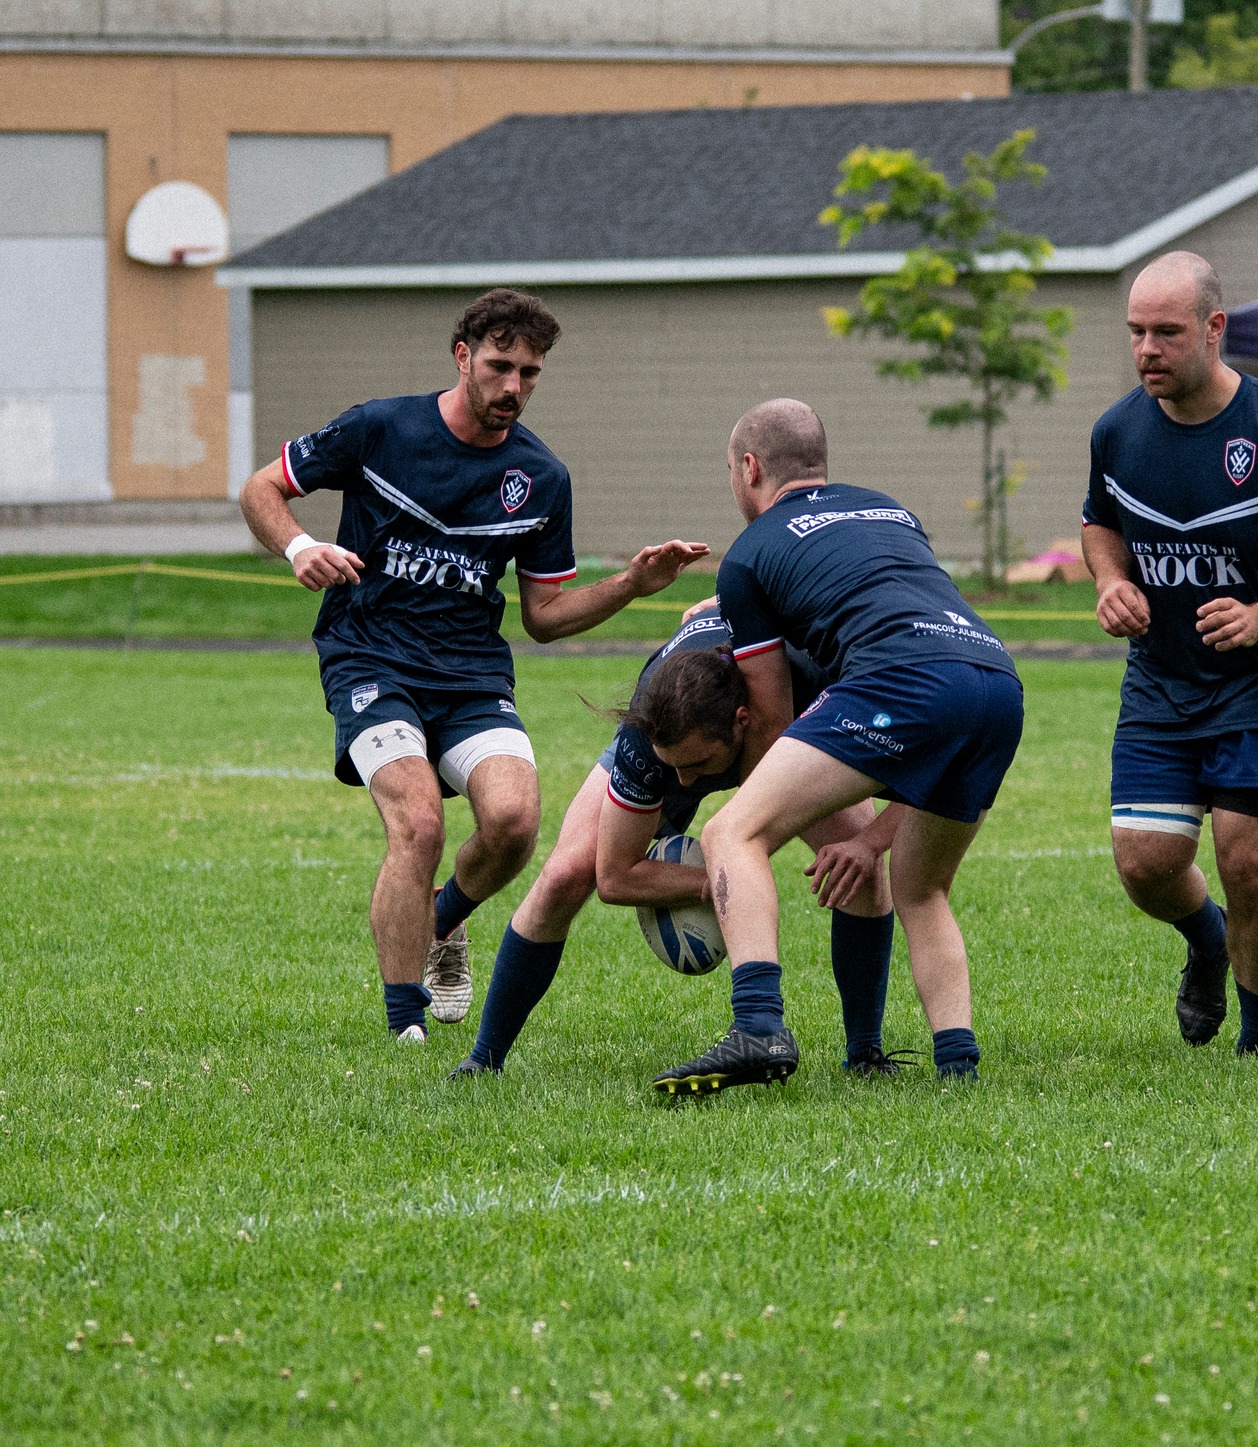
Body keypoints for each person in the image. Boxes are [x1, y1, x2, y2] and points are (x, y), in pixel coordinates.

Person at [239, 288, 705, 1044]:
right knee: (418, 822)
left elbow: (545, 618)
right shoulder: (380, 427)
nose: (513, 386)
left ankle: (441, 921)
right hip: (370, 657)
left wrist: (631, 584)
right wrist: (301, 546)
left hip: (471, 675)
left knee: (517, 822)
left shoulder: (541, 479)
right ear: (463, 357)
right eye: (500, 366)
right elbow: (261, 487)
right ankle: (404, 1028)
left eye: (530, 373)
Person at [650, 399, 1025, 1095]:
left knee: (734, 829)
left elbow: (769, 715)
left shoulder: (753, 551)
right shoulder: (888, 510)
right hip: (996, 680)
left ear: (749, 468)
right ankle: (958, 1066)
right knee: (921, 885)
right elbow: (873, 595)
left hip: (903, 678)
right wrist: (869, 839)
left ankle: (758, 1023)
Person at [1083, 251, 1258, 1057]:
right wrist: (1110, 581)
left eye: (1166, 332)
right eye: (1136, 331)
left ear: (1215, 330)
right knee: (1145, 863)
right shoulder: (1117, 432)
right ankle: (1208, 941)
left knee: (1247, 862)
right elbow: (1099, 522)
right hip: (1162, 679)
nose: (1146, 348)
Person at [445, 602, 899, 1079]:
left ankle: (865, 1055)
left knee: (859, 868)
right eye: (673, 766)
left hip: (794, 732)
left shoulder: (813, 683)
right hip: (682, 727)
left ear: (742, 721)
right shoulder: (651, 735)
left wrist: (865, 845)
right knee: (565, 876)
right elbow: (615, 878)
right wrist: (716, 885)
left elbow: (937, 776)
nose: (683, 783)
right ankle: (484, 1059)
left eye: (696, 765)